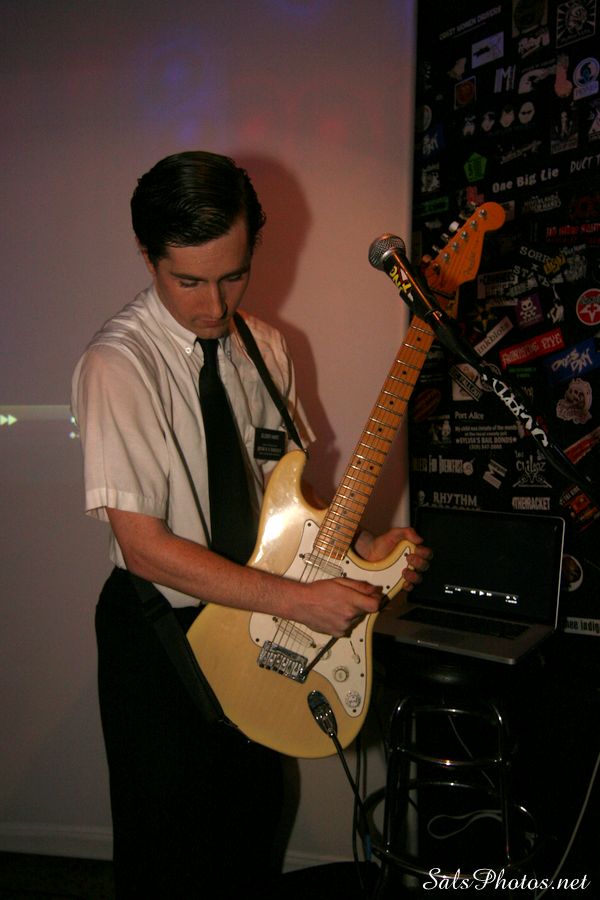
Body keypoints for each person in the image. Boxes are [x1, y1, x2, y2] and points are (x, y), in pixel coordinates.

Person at [72, 150, 431, 898]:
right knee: (168, 855)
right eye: (189, 281)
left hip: (257, 621)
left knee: (250, 826)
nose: (214, 305)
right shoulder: (119, 363)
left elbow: (288, 496)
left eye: (233, 276)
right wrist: (300, 601)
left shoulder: (265, 348)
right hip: (162, 629)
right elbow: (145, 549)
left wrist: (363, 548)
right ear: (147, 254)